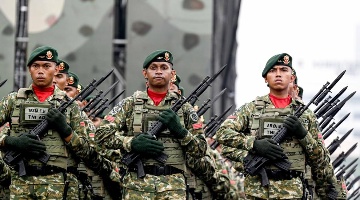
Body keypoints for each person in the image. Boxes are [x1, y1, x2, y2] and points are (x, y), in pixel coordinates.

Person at [0, 46, 119, 199]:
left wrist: (67, 132)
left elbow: (93, 153)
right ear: (29, 69)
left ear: (56, 70)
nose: (41, 71)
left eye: (47, 66)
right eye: (36, 66)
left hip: (59, 186)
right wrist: (10, 141)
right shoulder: (13, 101)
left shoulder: (70, 106)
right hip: (20, 185)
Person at [215, 53, 337, 199]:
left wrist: (303, 135)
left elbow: (321, 160)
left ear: (292, 78)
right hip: (257, 192)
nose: (278, 74)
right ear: (266, 78)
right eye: (273, 71)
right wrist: (254, 144)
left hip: (292, 192)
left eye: (283, 70)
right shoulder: (251, 109)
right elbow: (222, 133)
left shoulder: (306, 115)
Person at [95, 50, 207, 200]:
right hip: (137, 185)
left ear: (172, 73)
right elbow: (101, 135)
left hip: (173, 187)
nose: (159, 72)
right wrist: (131, 143)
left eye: (164, 67)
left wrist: (180, 132)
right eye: (153, 68)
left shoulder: (185, 108)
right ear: (145, 73)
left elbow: (201, 149)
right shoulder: (130, 104)